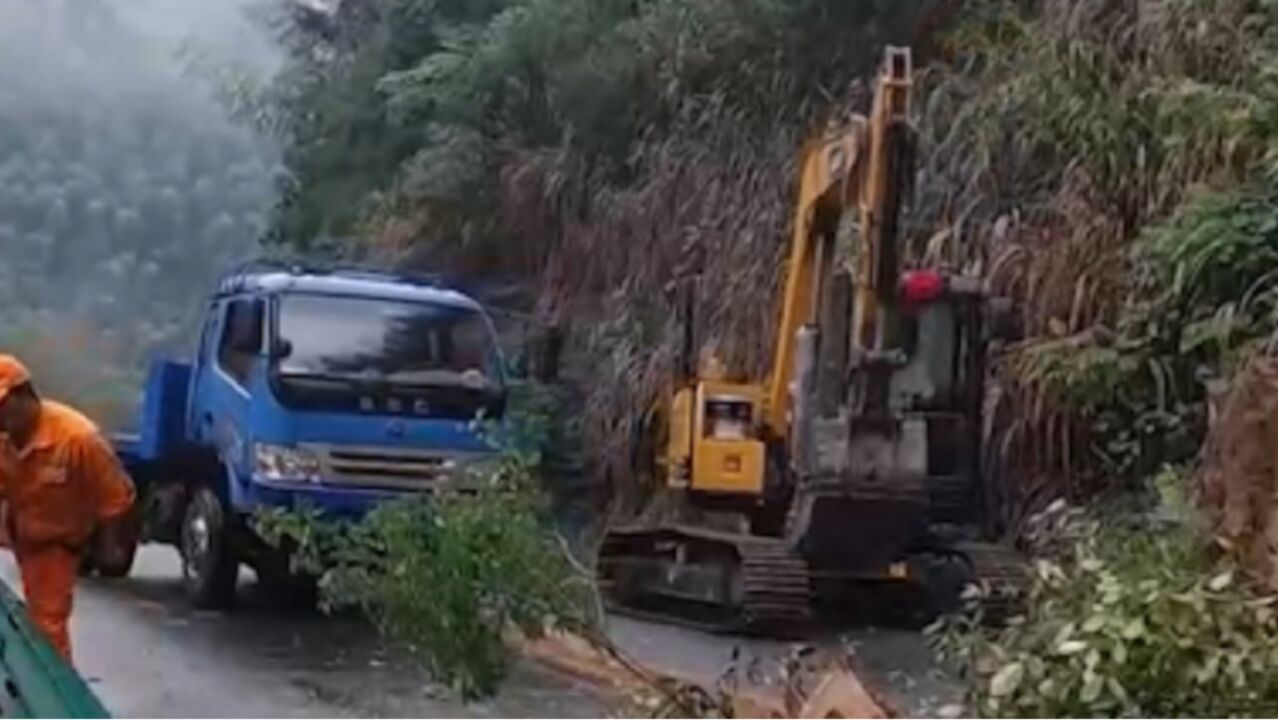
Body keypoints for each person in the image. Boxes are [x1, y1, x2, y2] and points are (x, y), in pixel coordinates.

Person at [0, 355, 136, 662]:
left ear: (24, 396)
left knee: (47, 627)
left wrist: (111, 548)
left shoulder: (78, 439)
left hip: (53, 544)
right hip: (17, 528)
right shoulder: (3, 438)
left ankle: (53, 700)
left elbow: (115, 498)